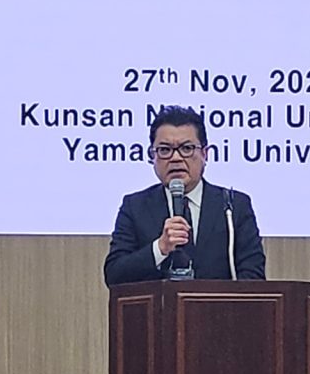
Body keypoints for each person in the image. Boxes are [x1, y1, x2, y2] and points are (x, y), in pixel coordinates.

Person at [103, 105, 267, 286]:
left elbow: (253, 278)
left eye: (187, 148)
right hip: (160, 304)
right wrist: (160, 248)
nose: (175, 158)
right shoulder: (135, 207)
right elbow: (114, 275)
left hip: (217, 305)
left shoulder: (234, 206)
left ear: (205, 154)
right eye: (164, 150)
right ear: (152, 156)